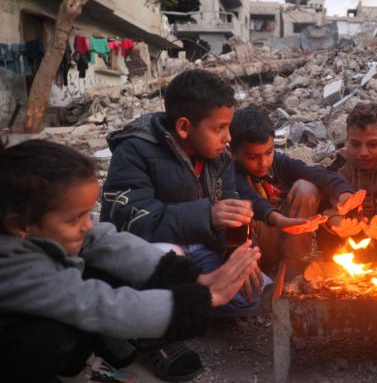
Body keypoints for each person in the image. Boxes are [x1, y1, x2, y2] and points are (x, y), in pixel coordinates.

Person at [0, 140, 260, 383]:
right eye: (74, 219)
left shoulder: (44, 227)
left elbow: (104, 240)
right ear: (20, 225)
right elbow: (97, 305)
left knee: (115, 263)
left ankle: (80, 361)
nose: (87, 226)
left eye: (87, 214)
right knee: (45, 337)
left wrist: (192, 277)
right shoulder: (15, 267)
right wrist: (201, 300)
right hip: (17, 337)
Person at [99, 69, 264, 378]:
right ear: (185, 127)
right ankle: (153, 337)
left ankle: (180, 307)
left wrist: (235, 250)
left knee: (251, 295)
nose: (228, 137)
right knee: (165, 253)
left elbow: (228, 207)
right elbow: (133, 220)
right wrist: (207, 216)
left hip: (196, 243)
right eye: (220, 128)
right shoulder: (134, 151)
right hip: (149, 248)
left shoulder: (220, 157)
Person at [229, 106, 360, 272]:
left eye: (268, 152)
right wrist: (280, 220)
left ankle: (294, 268)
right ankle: (262, 276)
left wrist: (344, 194)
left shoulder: (278, 163)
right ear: (232, 152)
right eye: (253, 157)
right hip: (256, 249)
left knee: (306, 188)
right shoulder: (230, 172)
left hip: (289, 236)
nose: (263, 162)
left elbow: (314, 172)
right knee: (242, 212)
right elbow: (251, 199)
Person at [322, 102, 377, 249]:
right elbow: (324, 203)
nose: (363, 153)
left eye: (373, 145)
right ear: (347, 142)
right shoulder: (342, 161)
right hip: (348, 238)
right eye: (355, 144)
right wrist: (337, 222)